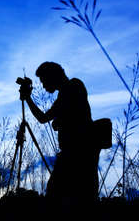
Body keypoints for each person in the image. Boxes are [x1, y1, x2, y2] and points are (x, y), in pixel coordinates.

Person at [18, 62, 100, 204]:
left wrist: (28, 98)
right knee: (74, 196)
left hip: (78, 152)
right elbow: (50, 117)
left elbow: (45, 118)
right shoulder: (68, 91)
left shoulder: (73, 86)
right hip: (77, 152)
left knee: (59, 195)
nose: (43, 86)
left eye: (44, 81)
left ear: (53, 76)